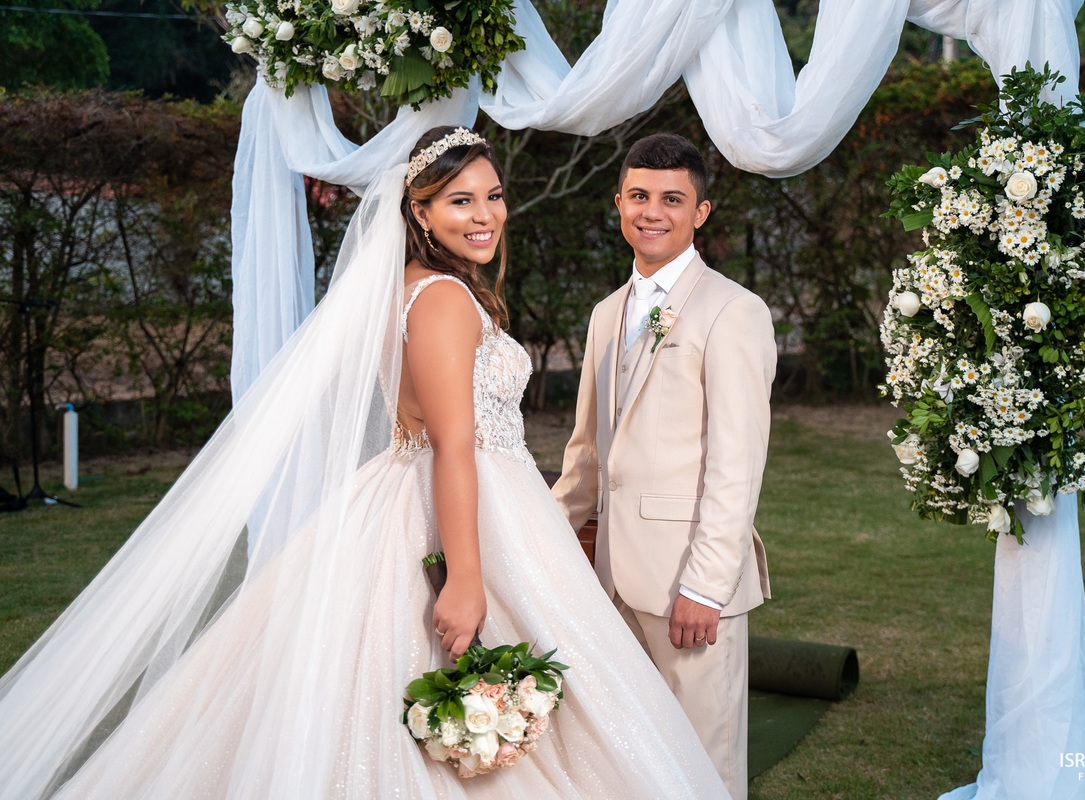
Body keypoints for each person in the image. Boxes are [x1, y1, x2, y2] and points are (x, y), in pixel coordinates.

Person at [0, 127, 729, 799]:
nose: (485, 215)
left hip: (452, 497)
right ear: (417, 212)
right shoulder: (442, 298)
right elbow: (453, 444)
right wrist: (466, 581)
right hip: (462, 508)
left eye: (494, 196)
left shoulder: (422, 287)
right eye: (459, 201)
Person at [553, 133, 777, 800]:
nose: (653, 211)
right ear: (618, 202)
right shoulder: (604, 315)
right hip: (610, 578)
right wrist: (540, 535)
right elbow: (587, 452)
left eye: (672, 199)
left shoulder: (734, 312)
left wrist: (706, 586)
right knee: (621, 758)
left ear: (700, 213)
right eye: (640, 196)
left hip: (687, 580)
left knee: (700, 764)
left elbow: (737, 465)